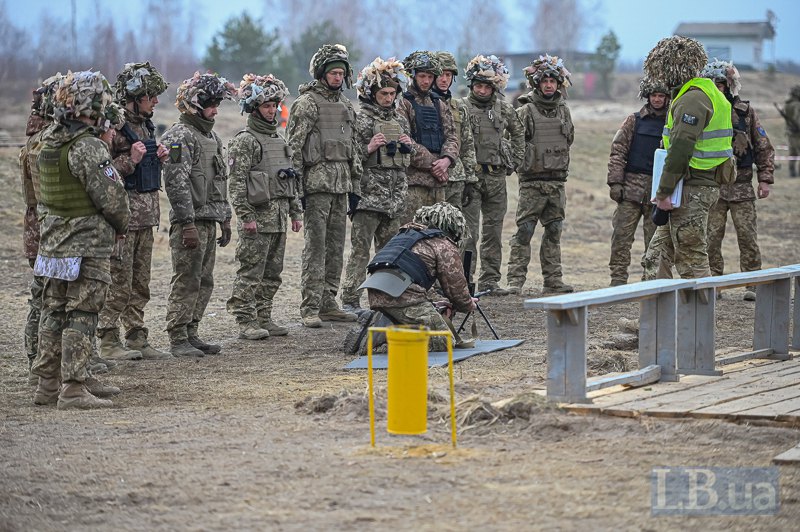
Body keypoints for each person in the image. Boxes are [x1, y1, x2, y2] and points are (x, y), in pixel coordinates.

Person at [30, 71, 130, 409]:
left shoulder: (46, 141)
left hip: (53, 244)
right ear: (92, 107)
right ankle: (72, 388)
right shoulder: (88, 147)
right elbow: (113, 200)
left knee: (53, 310)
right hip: (86, 244)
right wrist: (121, 225)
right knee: (82, 312)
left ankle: (47, 384)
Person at [640, 36, 735, 281]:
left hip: (692, 188)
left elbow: (680, 149)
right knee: (656, 256)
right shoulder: (706, 92)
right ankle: (656, 317)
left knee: (691, 258)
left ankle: (700, 318)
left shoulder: (693, 99)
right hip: (691, 185)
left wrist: (663, 193)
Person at [96, 62, 172, 361]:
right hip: (122, 220)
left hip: (145, 218)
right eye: (150, 95)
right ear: (135, 95)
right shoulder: (112, 128)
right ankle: (108, 340)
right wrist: (131, 159)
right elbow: (100, 175)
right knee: (118, 282)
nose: (155, 101)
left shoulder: (145, 124)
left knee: (140, 283)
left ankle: (137, 336)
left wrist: (156, 158)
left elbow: (142, 170)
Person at [286, 44, 362, 328]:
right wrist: (297, 193)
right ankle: (310, 305)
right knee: (315, 249)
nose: (338, 77)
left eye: (342, 73)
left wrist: (354, 188)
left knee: (335, 248)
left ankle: (329, 302)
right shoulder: (306, 104)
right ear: (322, 73)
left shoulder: (345, 105)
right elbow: (292, 149)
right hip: (316, 186)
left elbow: (352, 148)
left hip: (340, 186)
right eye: (333, 72)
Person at [161, 72, 235, 356]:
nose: (216, 109)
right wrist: (186, 222)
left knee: (205, 279)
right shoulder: (179, 136)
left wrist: (224, 217)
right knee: (187, 278)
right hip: (189, 223)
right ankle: (178, 336)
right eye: (211, 103)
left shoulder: (211, 136)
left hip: (208, 220)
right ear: (195, 104)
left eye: (218, 103)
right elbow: (176, 183)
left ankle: (192, 332)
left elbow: (219, 180)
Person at [226, 74, 303, 339]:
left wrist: (295, 212)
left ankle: (264, 316)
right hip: (257, 219)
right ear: (254, 107)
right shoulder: (245, 140)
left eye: (274, 105)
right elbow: (236, 184)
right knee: (250, 272)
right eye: (266, 105)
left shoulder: (280, 141)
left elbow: (290, 178)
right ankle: (246, 321)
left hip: (279, 218)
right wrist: (246, 217)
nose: (272, 110)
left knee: (273, 273)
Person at [340, 57, 412, 313]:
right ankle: (350, 299)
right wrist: (368, 148)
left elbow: (405, 162)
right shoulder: (361, 121)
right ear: (372, 93)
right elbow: (349, 157)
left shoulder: (401, 121)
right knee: (360, 252)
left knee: (389, 254)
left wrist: (408, 146)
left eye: (393, 93)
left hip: (394, 199)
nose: (389, 98)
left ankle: (385, 298)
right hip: (368, 197)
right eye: (384, 93)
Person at [361, 202, 477, 352]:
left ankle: (387, 321)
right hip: (403, 298)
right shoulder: (443, 244)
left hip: (376, 291)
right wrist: (468, 304)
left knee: (412, 318)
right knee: (443, 340)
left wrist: (437, 301)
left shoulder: (405, 235)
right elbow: (456, 287)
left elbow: (411, 274)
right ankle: (386, 340)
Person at [702, 60, 774, 301]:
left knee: (747, 236)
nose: (717, 88)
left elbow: (763, 146)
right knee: (711, 237)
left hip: (742, 187)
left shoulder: (745, 112)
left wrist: (765, 179)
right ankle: (714, 283)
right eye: (713, 84)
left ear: (730, 85)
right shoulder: (703, 110)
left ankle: (752, 283)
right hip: (713, 187)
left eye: (721, 84)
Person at [506, 54, 575, 295]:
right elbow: (513, 142)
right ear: (537, 83)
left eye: (553, 81)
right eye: (544, 80)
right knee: (524, 231)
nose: (548, 85)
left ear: (558, 84)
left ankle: (553, 280)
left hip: (556, 183)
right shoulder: (526, 111)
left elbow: (569, 139)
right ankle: (515, 281)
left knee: (554, 231)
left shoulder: (564, 111)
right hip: (532, 183)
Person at [460, 54, 524, 295]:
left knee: (493, 232)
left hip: (496, 178)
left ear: (494, 87)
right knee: (468, 233)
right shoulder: (461, 108)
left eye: (487, 86)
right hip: (472, 179)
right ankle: (464, 281)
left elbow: (519, 136)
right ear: (471, 85)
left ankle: (490, 281)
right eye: (478, 85)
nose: (483, 90)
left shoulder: (505, 109)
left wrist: (514, 162)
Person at [606, 76, 670, 286]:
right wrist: (615, 183)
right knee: (621, 238)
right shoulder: (634, 120)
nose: (657, 99)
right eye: (654, 95)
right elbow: (618, 151)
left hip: (658, 192)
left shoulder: (672, 122)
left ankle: (650, 281)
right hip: (630, 190)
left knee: (655, 241)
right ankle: (617, 279)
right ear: (647, 96)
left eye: (661, 95)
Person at [19, 75, 62, 385]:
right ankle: (37, 362)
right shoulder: (43, 143)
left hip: (45, 226)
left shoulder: (41, 138)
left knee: (47, 295)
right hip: (45, 229)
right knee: (43, 297)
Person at [397, 51, 459, 223]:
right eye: (422, 76)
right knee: (411, 236)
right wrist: (435, 166)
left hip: (438, 185)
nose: (426, 81)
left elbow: (452, 136)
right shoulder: (402, 102)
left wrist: (447, 160)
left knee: (437, 237)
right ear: (413, 76)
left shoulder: (439, 103)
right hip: (413, 184)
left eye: (430, 77)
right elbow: (405, 140)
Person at [433, 51, 477, 210]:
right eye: (440, 75)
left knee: (453, 230)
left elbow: (467, 145)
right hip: (430, 178)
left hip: (456, 179)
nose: (444, 79)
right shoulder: (419, 105)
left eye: (448, 75)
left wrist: (470, 179)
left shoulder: (458, 107)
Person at [783, 85, 800, 177]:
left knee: (792, 153)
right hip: (797, 132)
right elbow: (797, 118)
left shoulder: (787, 104)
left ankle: (792, 171)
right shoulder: (797, 105)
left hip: (790, 132)